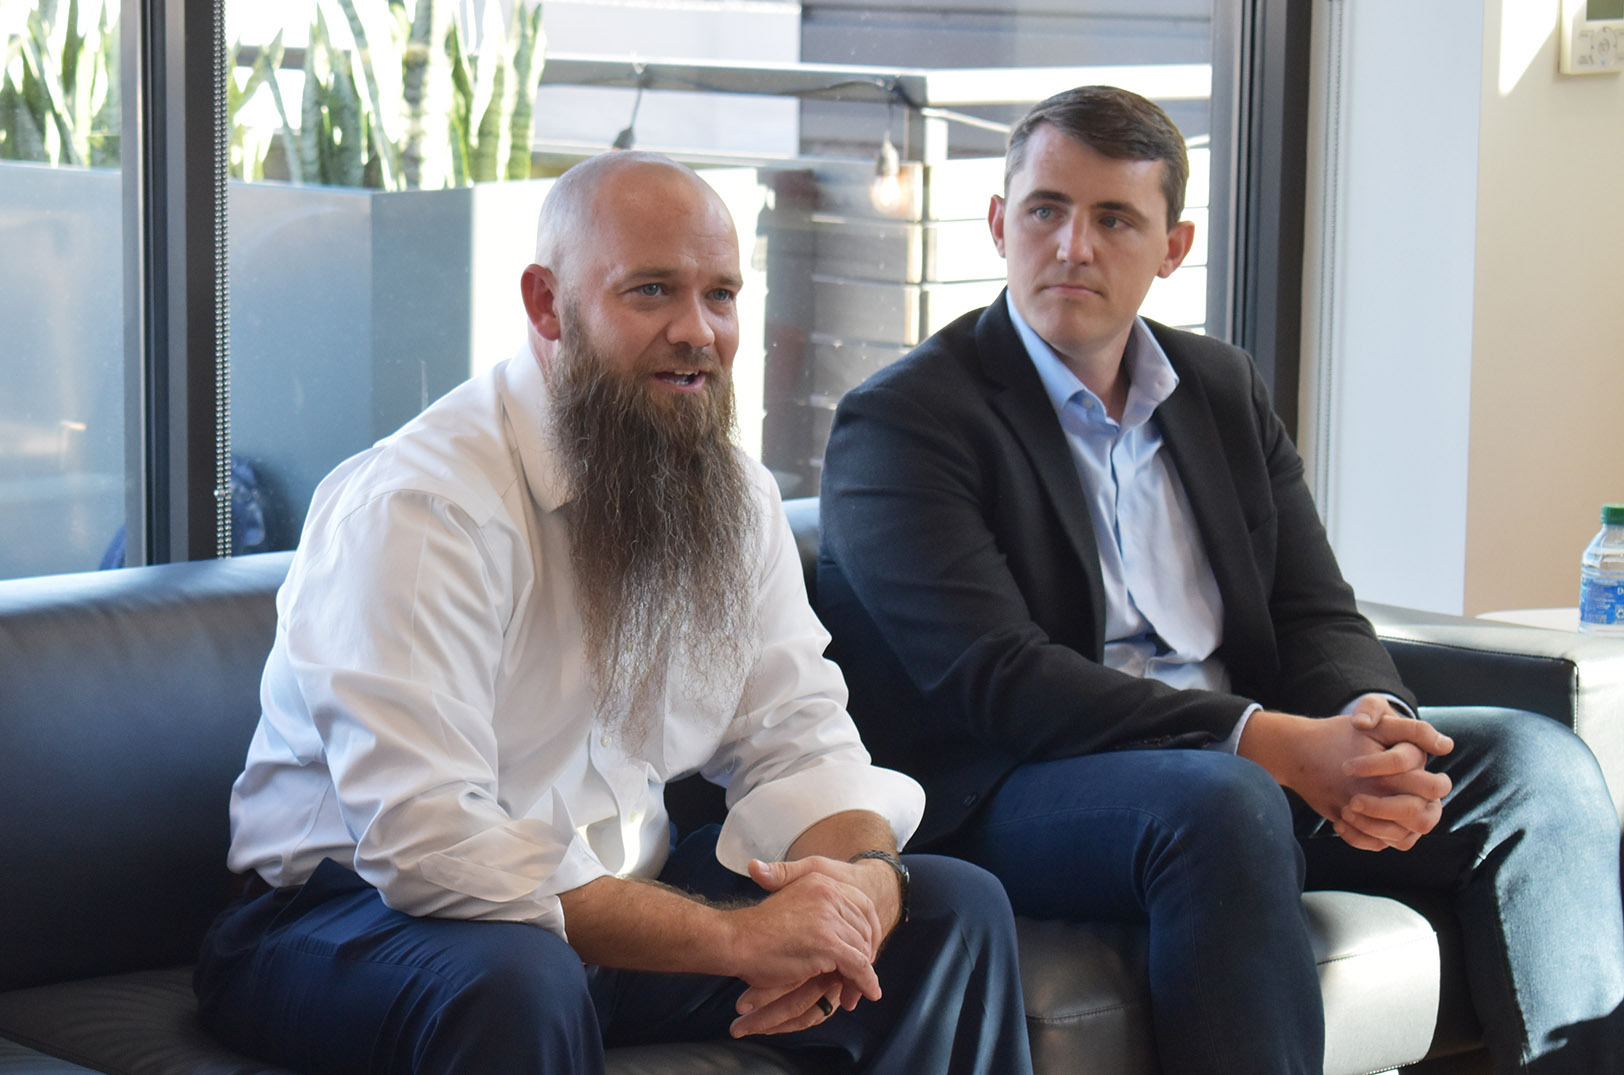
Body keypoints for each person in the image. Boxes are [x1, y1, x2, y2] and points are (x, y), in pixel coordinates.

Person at [817, 85, 1624, 1074]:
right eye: (1045, 210)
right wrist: (1271, 742)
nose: (1072, 245)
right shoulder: (904, 419)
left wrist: (1370, 724)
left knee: (1536, 766)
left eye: (1114, 218)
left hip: (1238, 769)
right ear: (997, 224)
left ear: (1174, 246)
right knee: (1227, 799)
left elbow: (1312, 611)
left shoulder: (1220, 389)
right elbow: (1000, 681)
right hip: (1013, 790)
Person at [194, 150, 1034, 1075]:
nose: (698, 330)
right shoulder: (420, 505)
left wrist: (861, 887)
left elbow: (800, 742)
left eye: (721, 295)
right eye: (652, 291)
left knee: (948, 910)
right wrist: (737, 940)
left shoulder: (735, 494)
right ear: (548, 306)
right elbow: (429, 842)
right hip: (348, 920)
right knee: (520, 978)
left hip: (599, 913)